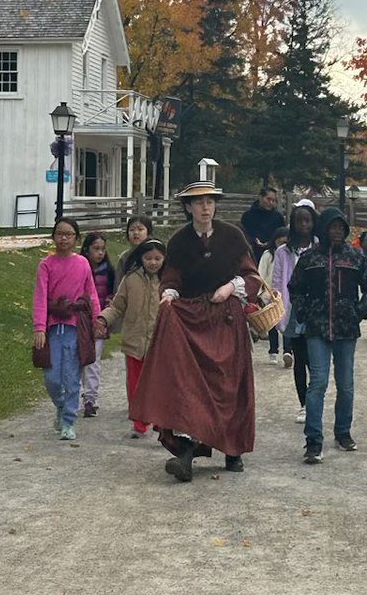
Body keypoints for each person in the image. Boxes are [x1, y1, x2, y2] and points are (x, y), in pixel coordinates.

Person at [129, 179, 262, 482]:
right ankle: (187, 448)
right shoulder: (179, 241)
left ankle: (233, 449)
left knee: (228, 385)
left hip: (226, 320)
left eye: (210, 201)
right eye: (199, 202)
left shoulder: (232, 236)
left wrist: (230, 287)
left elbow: (252, 278)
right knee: (191, 386)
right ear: (188, 207)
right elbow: (172, 278)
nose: (205, 207)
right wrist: (168, 295)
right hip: (193, 321)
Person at [288, 206, 367, 463]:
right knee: (318, 382)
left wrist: (359, 311)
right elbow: (294, 288)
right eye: (332, 226)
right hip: (317, 328)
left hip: (346, 329)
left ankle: (343, 432)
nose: (337, 231)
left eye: (341, 227)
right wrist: (304, 313)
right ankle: (313, 441)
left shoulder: (356, 257)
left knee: (346, 385)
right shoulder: (309, 259)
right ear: (324, 229)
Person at [32, 218, 100, 442]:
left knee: (71, 377)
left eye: (69, 234)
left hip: (74, 327)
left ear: (76, 238)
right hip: (52, 328)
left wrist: (97, 320)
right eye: (60, 234)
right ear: (53, 236)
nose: (63, 238)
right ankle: (60, 405)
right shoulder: (46, 264)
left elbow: (90, 293)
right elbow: (41, 297)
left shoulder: (82, 263)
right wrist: (39, 327)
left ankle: (69, 421)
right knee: (51, 377)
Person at [94, 238, 167, 437]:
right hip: (134, 341)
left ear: (164, 259)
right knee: (135, 384)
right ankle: (139, 423)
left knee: (159, 384)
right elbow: (117, 306)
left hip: (160, 344)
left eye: (158, 258)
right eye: (148, 258)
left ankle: (161, 422)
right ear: (141, 258)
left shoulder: (169, 282)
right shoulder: (131, 279)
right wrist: (103, 319)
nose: (153, 262)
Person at [272, 202, 318, 423]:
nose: (303, 224)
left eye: (307, 220)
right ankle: (303, 405)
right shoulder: (283, 252)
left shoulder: (320, 247)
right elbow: (277, 281)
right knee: (300, 360)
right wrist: (277, 307)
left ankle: (314, 402)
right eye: (299, 220)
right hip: (293, 311)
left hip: (316, 311)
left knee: (315, 361)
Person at [79, 231, 115, 418]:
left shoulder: (108, 271)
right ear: (86, 250)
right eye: (96, 249)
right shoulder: (79, 267)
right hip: (79, 321)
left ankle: (90, 399)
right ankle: (74, 395)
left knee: (93, 360)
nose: (100, 253)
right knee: (78, 360)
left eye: (103, 249)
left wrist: (106, 310)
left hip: (99, 321)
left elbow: (112, 294)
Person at [259, 225, 290, 365]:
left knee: (288, 322)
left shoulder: (289, 254)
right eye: (280, 242)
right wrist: (263, 293)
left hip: (286, 293)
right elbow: (260, 274)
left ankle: (288, 351)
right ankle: (273, 351)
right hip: (270, 294)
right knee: (272, 324)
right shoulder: (268, 255)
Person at [241, 186, 285, 262]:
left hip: (272, 255)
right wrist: (254, 240)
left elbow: (281, 235)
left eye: (273, 200)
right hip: (252, 253)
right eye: (268, 199)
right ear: (261, 197)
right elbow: (244, 233)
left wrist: (270, 242)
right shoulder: (248, 216)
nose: (271, 203)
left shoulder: (278, 217)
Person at [114, 215, 153, 288]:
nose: (136, 233)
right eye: (132, 230)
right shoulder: (125, 257)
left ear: (148, 233)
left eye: (140, 229)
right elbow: (118, 284)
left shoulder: (156, 254)